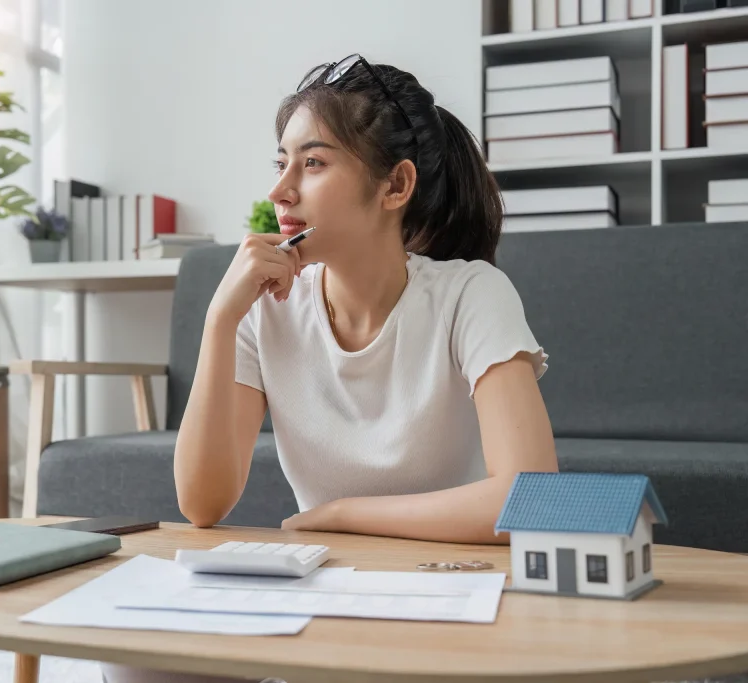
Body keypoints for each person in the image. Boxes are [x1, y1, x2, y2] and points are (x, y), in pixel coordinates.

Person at [100, 53, 558, 683]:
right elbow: (203, 503)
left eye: (312, 163)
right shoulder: (269, 311)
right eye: (281, 162)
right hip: (322, 586)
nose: (280, 190)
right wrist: (219, 322)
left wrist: (344, 513)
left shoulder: (471, 295)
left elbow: (530, 501)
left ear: (395, 187)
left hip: (444, 590)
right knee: (136, 663)